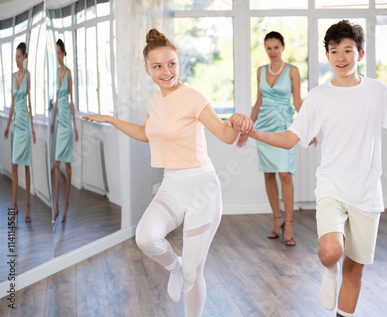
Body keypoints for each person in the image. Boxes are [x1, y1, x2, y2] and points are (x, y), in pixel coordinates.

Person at [228, 20, 387, 317]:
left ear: (360, 54)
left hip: (367, 192)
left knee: (355, 270)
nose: (341, 57)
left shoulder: (377, 91)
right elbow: (289, 139)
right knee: (330, 251)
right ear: (327, 55)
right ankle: (329, 272)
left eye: (348, 50)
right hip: (332, 187)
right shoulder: (318, 97)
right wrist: (252, 132)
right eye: (334, 50)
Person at [83, 28, 253, 317]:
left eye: (171, 63)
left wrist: (238, 122)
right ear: (147, 69)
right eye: (158, 66)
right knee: (146, 237)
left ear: (178, 63)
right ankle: (173, 267)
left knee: (193, 270)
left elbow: (225, 136)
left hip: (202, 188)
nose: (166, 71)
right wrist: (110, 119)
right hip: (171, 184)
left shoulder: (193, 98)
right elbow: (145, 133)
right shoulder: (155, 100)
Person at [237, 31, 314, 246]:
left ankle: (288, 223)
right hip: (263, 127)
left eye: (276, 48)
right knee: (269, 175)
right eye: (269, 48)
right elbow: (258, 103)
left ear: (283, 48)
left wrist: (309, 129)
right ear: (265, 49)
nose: (272, 52)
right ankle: (276, 219)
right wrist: (246, 130)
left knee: (285, 175)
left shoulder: (293, 71)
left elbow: (298, 102)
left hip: (283, 127)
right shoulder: (260, 71)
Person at [3, 42, 36, 224]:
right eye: (15, 56)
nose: (16, 60)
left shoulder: (28, 76)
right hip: (17, 127)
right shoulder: (12, 77)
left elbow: (30, 102)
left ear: (24, 57)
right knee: (15, 166)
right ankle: (14, 207)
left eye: (18, 56)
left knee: (26, 166)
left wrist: (32, 127)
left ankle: (28, 207)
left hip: (26, 126)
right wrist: (8, 126)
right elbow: (12, 104)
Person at [50, 39, 79, 224]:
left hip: (67, 125)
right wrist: (52, 122)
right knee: (56, 164)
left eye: (60, 53)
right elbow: (57, 99)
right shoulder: (56, 72)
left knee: (67, 165)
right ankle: (58, 205)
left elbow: (71, 101)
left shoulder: (68, 73)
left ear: (64, 53)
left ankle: (67, 204)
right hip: (59, 123)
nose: (58, 56)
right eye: (56, 53)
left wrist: (75, 126)